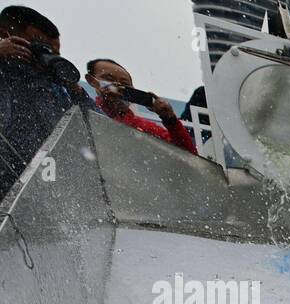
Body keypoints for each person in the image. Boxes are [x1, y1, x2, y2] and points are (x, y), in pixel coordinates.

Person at [0, 5, 86, 198]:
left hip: (41, 191)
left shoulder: (56, 89)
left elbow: (98, 127)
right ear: (4, 36)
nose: (46, 56)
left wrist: (77, 91)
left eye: (55, 52)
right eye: (41, 47)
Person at [85, 59, 196, 155]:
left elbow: (189, 158)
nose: (118, 86)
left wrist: (170, 120)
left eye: (125, 84)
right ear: (92, 81)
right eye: (109, 79)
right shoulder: (84, 112)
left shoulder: (147, 128)